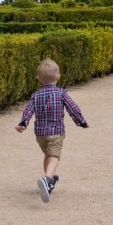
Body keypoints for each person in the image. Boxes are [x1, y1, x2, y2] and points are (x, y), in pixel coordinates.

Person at [16, 58, 88, 202]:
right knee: (54, 157)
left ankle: (47, 183)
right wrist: (81, 121)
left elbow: (28, 111)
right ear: (58, 77)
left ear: (38, 79)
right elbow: (72, 108)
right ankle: (47, 179)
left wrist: (23, 124)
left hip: (41, 134)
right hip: (56, 132)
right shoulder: (61, 93)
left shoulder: (35, 96)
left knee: (48, 155)